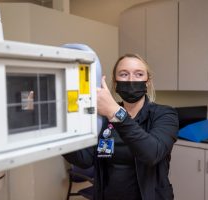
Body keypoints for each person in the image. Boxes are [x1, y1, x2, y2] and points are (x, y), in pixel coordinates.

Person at [64, 53, 179, 200]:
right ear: (115, 82)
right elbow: (84, 159)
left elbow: (152, 153)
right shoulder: (104, 118)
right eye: (124, 74)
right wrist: (57, 126)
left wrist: (116, 113)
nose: (131, 79)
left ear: (147, 81)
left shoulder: (165, 115)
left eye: (138, 74)